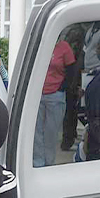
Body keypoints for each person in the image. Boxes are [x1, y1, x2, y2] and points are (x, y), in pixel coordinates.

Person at [34, 37, 76, 167]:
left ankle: (49, 163)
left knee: (51, 132)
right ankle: (38, 162)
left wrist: (61, 88)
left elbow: (72, 70)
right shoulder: (40, 45)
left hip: (55, 95)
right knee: (36, 132)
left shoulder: (64, 47)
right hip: (38, 95)